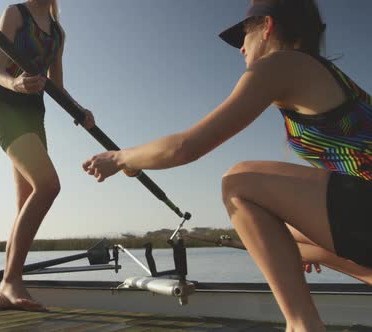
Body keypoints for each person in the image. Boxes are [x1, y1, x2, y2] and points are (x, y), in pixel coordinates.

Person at [82, 0, 372, 330]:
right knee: (280, 237)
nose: (241, 49)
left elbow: (184, 147)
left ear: (267, 26)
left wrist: (119, 158)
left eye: (243, 37)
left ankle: (301, 325)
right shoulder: (324, 75)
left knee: (239, 182)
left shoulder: (281, 65)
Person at [0, 0, 94, 311]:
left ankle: (8, 287)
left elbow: (57, 85)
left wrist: (80, 110)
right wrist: (16, 83)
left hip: (35, 116)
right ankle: (10, 281)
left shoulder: (58, 33)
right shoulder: (15, 13)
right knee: (48, 186)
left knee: (25, 205)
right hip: (6, 109)